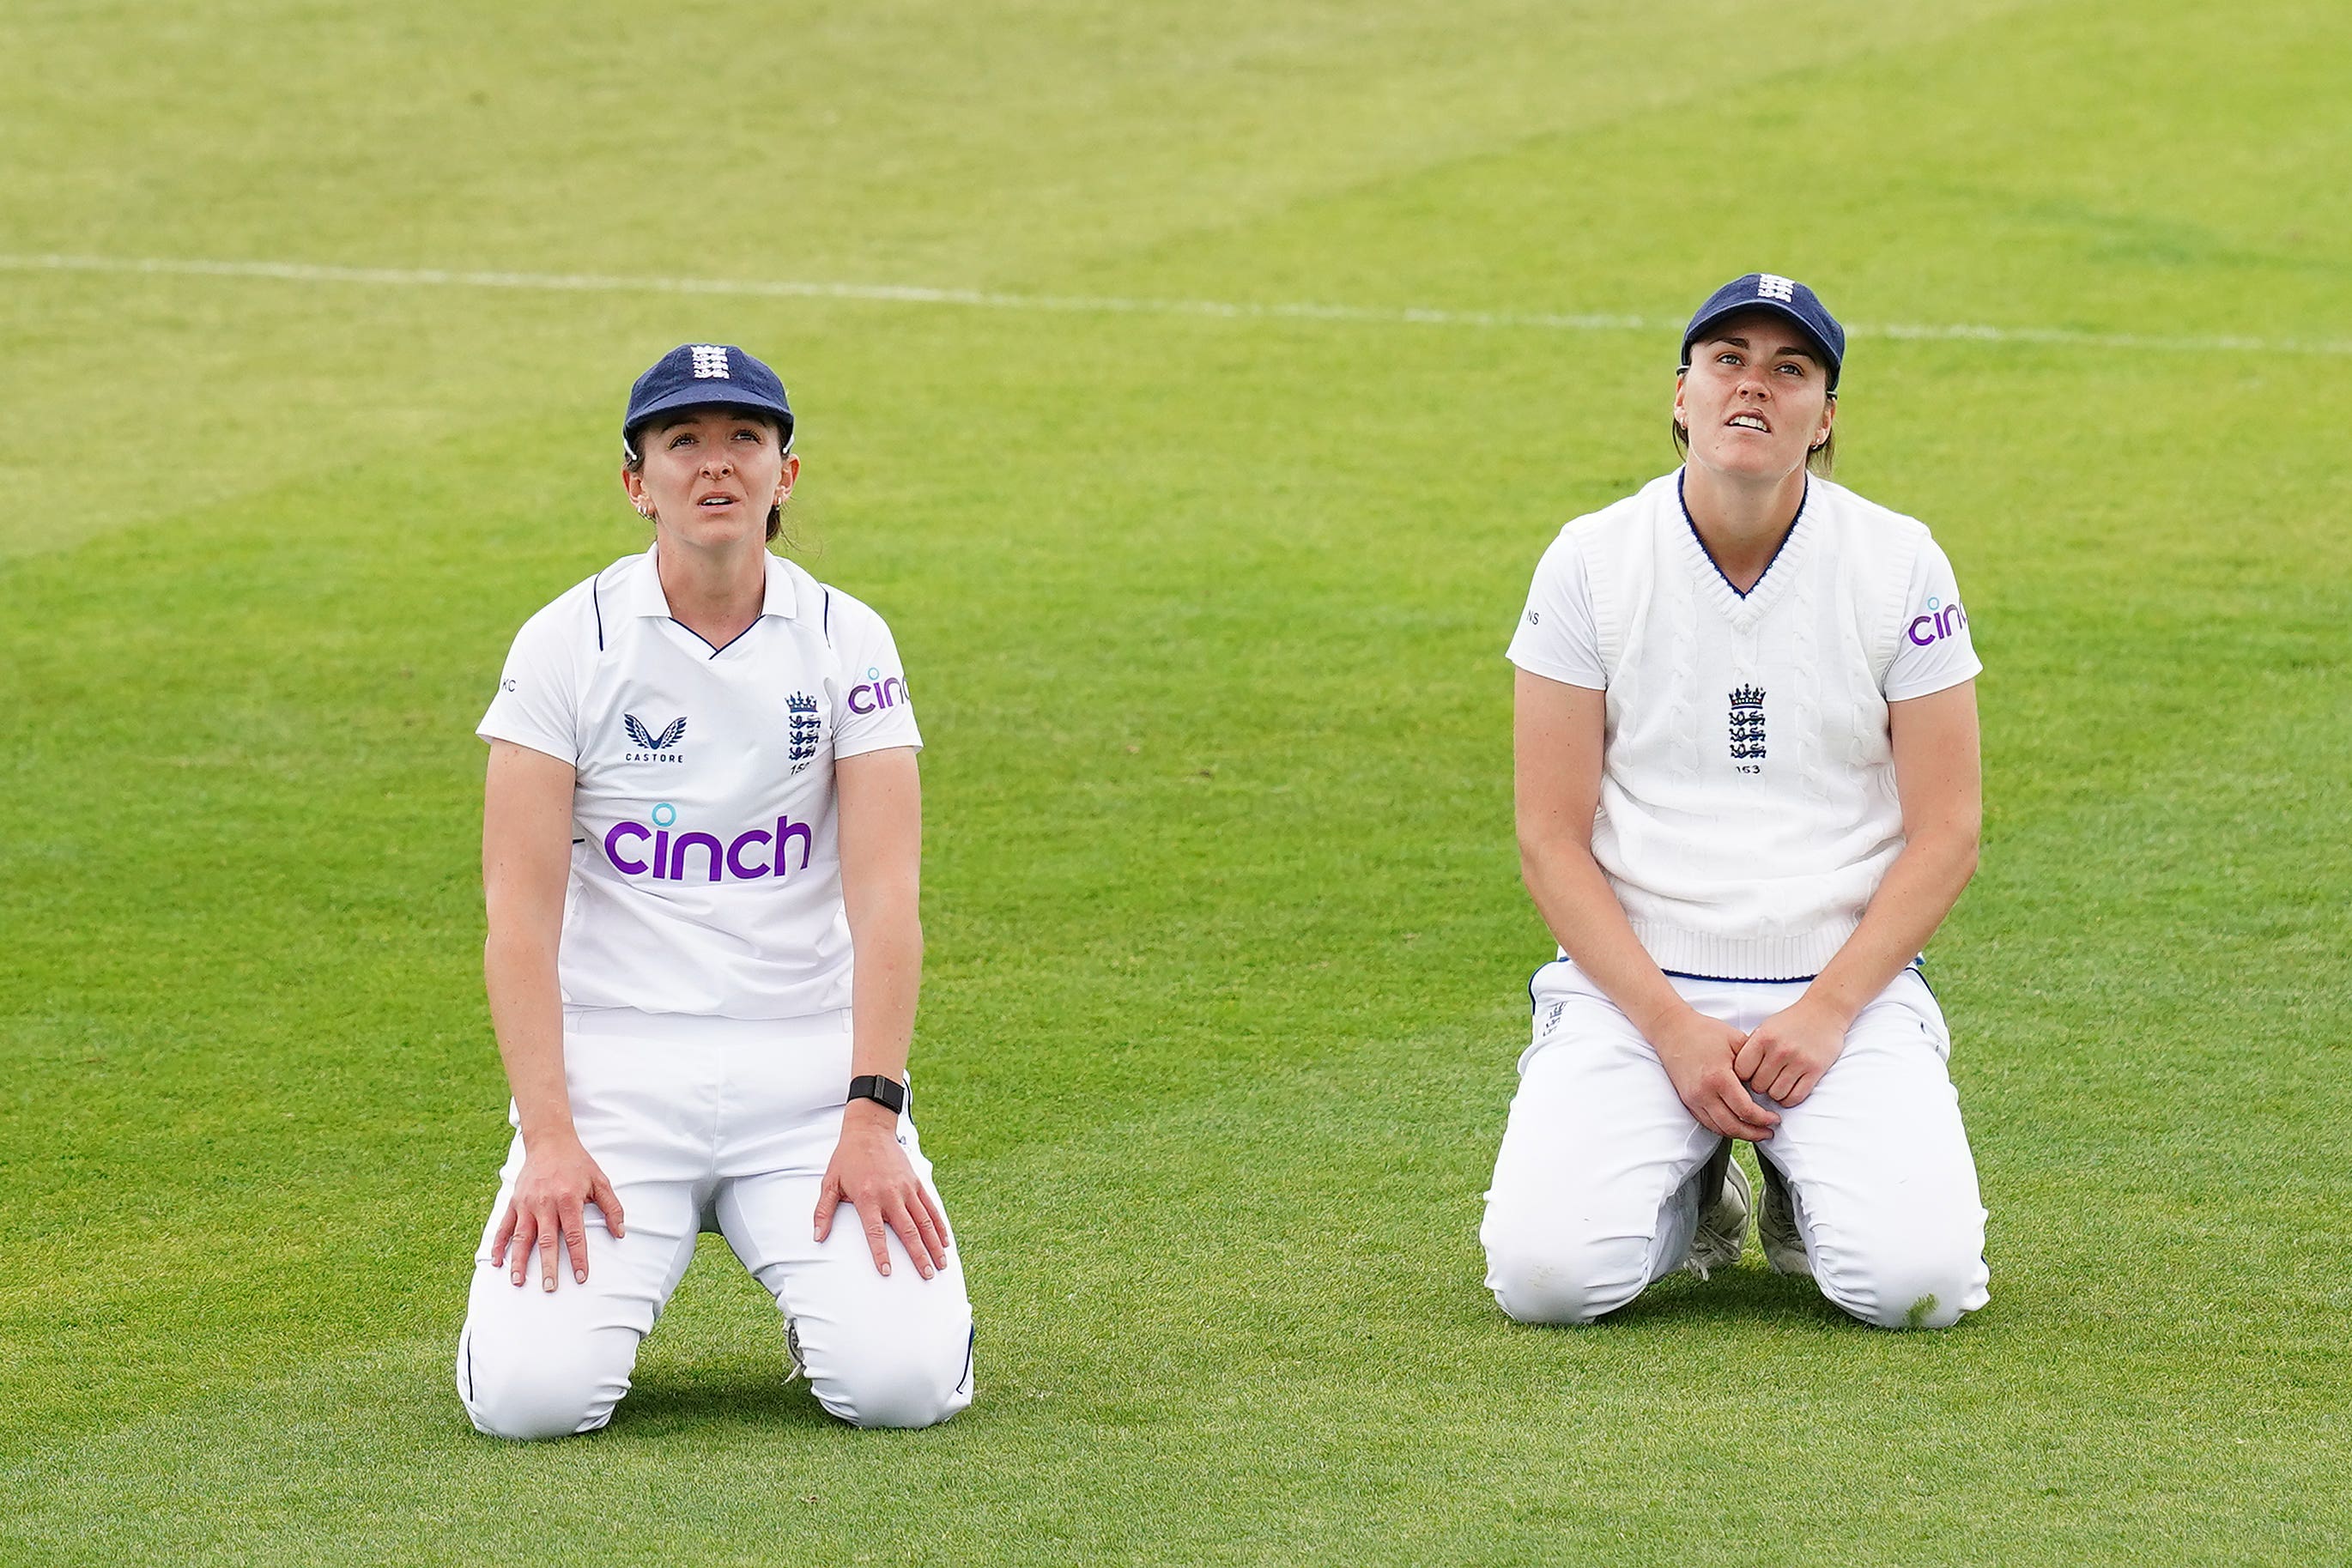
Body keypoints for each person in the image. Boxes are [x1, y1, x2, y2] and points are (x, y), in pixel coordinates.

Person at [455, 343, 973, 1438]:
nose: (716, 465)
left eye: (745, 438)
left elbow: (887, 903)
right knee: (528, 1406)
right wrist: (549, 1135)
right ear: (636, 481)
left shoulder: (849, 640)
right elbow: (519, 924)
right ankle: (512, 1327)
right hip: (616, 1081)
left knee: (902, 1390)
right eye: (682, 441)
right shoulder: (563, 645)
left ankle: (835, 1299)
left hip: (805, 1078)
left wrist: (872, 1115)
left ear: (787, 473)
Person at [1482, 275, 1990, 1330]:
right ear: (1681, 396)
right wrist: (1668, 1027)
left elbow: (1948, 832)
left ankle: (1801, 1193)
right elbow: (1548, 837)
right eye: (1727, 362)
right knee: (1543, 1283)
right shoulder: (1588, 561)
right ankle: (1693, 1190)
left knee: (1917, 1292)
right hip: (1637, 990)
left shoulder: (1901, 561)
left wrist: (1830, 1008)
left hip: (1841, 991)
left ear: (1825, 417)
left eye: (1788, 369)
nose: (1753, 387)